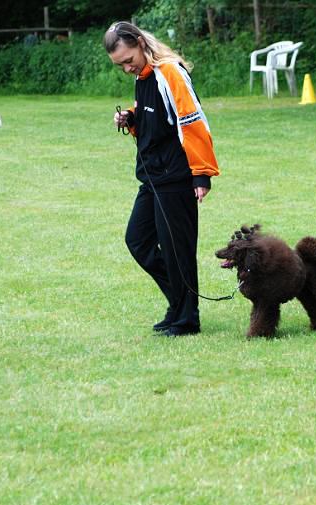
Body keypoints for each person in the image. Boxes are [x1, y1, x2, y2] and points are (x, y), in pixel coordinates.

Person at [105, 21, 219, 337]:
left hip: (178, 176)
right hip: (153, 177)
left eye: (128, 60)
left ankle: (186, 319)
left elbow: (192, 121)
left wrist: (201, 174)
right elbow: (157, 119)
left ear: (140, 43)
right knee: (138, 241)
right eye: (120, 65)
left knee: (176, 249)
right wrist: (131, 118)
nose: (126, 68)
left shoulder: (170, 72)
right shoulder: (143, 77)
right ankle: (180, 303)